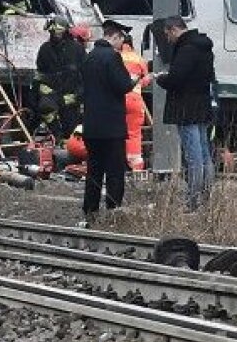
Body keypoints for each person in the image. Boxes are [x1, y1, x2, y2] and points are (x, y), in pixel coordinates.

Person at [152, 16, 217, 211]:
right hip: (202, 105)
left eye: (167, 34)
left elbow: (177, 79)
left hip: (186, 107)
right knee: (205, 153)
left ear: (173, 29)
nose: (168, 39)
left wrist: (161, 79)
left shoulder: (186, 49)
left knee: (193, 154)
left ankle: (192, 199)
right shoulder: (204, 47)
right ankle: (206, 195)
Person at [80, 20, 138, 219]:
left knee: (94, 169)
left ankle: (90, 209)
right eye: (122, 40)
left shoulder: (89, 57)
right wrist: (134, 80)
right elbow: (122, 85)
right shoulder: (112, 57)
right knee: (114, 170)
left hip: (91, 125)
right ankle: (114, 208)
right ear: (115, 37)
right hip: (111, 126)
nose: (122, 45)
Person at [35, 16, 85, 139]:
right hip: (52, 93)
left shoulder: (77, 49)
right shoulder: (45, 49)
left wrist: (77, 96)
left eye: (58, 31)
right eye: (52, 31)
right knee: (45, 108)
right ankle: (57, 137)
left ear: (65, 31)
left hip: (71, 95)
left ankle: (71, 146)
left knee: (71, 128)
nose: (54, 34)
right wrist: (42, 86)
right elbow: (40, 72)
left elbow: (86, 75)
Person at [120, 34, 150, 171]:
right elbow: (145, 81)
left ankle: (118, 164)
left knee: (116, 132)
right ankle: (136, 168)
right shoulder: (139, 59)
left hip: (117, 99)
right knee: (134, 133)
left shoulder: (115, 57)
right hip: (134, 99)